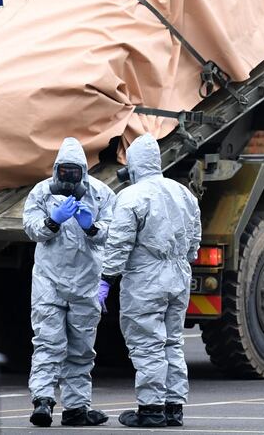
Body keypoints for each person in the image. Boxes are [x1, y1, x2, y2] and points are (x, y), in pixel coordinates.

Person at [98, 133, 202, 428]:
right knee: (172, 342)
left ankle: (151, 409)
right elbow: (195, 242)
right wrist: (181, 259)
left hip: (146, 277)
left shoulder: (131, 196)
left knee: (147, 343)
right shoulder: (183, 194)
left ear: (133, 163)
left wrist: (106, 280)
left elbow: (119, 244)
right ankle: (173, 407)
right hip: (178, 274)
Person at [23, 137, 114, 427]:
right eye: (64, 172)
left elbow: (112, 232)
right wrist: (53, 221)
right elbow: (31, 228)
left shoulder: (100, 194)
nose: (69, 178)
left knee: (81, 348)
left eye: (75, 173)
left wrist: (92, 227)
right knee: (48, 342)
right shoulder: (41, 193)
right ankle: (43, 401)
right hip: (49, 281)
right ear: (56, 170)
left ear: (84, 171)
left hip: (86, 282)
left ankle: (76, 408)